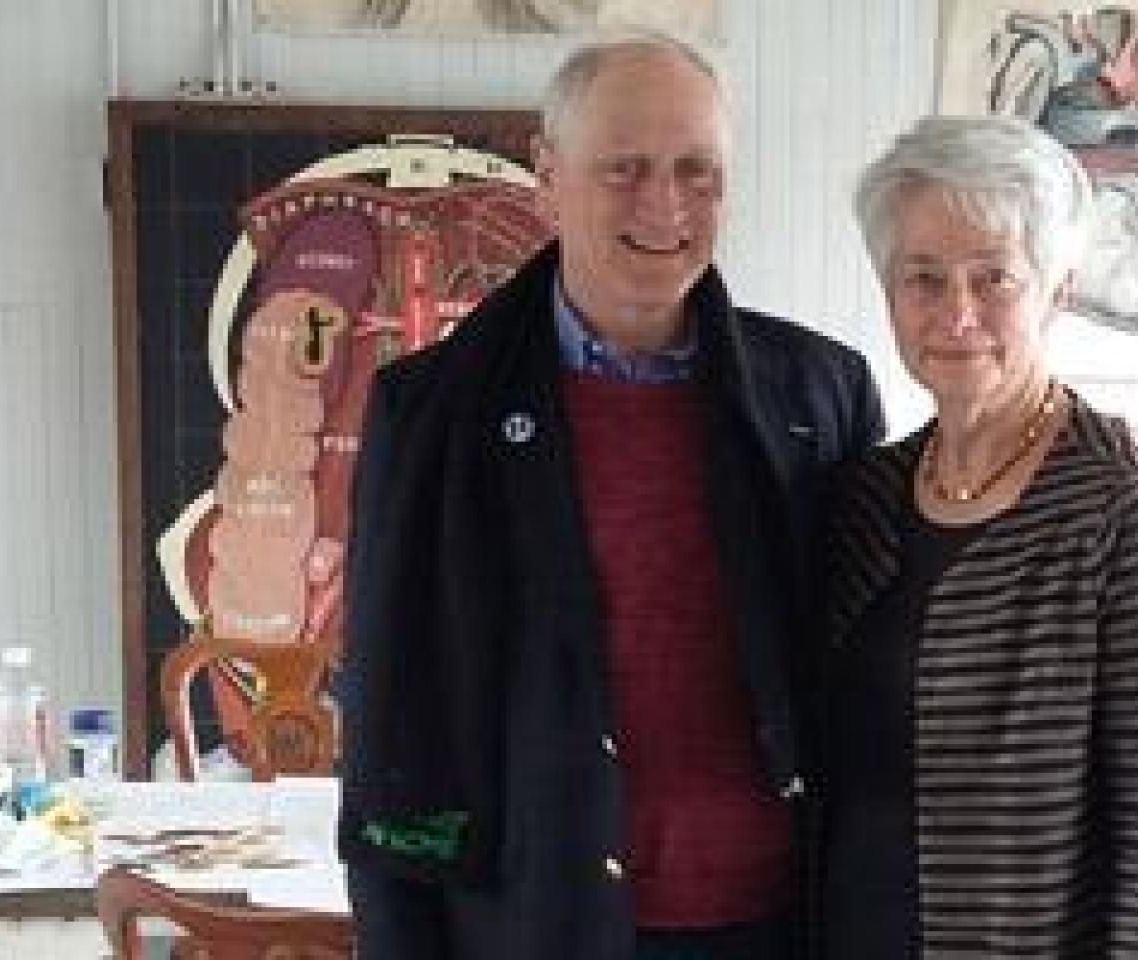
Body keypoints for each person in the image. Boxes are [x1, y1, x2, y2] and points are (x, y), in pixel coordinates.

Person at [337, 28, 885, 959]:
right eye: (625, 169)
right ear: (546, 180)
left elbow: (898, 618)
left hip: (780, 925)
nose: (665, 205)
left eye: (697, 171)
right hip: (534, 924)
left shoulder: (821, 392)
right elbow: (393, 709)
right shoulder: (430, 411)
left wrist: (1069, 444)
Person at [821, 114, 1138, 958]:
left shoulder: (1127, 524)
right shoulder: (864, 498)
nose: (956, 313)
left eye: (994, 277)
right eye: (922, 276)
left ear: (1058, 287)